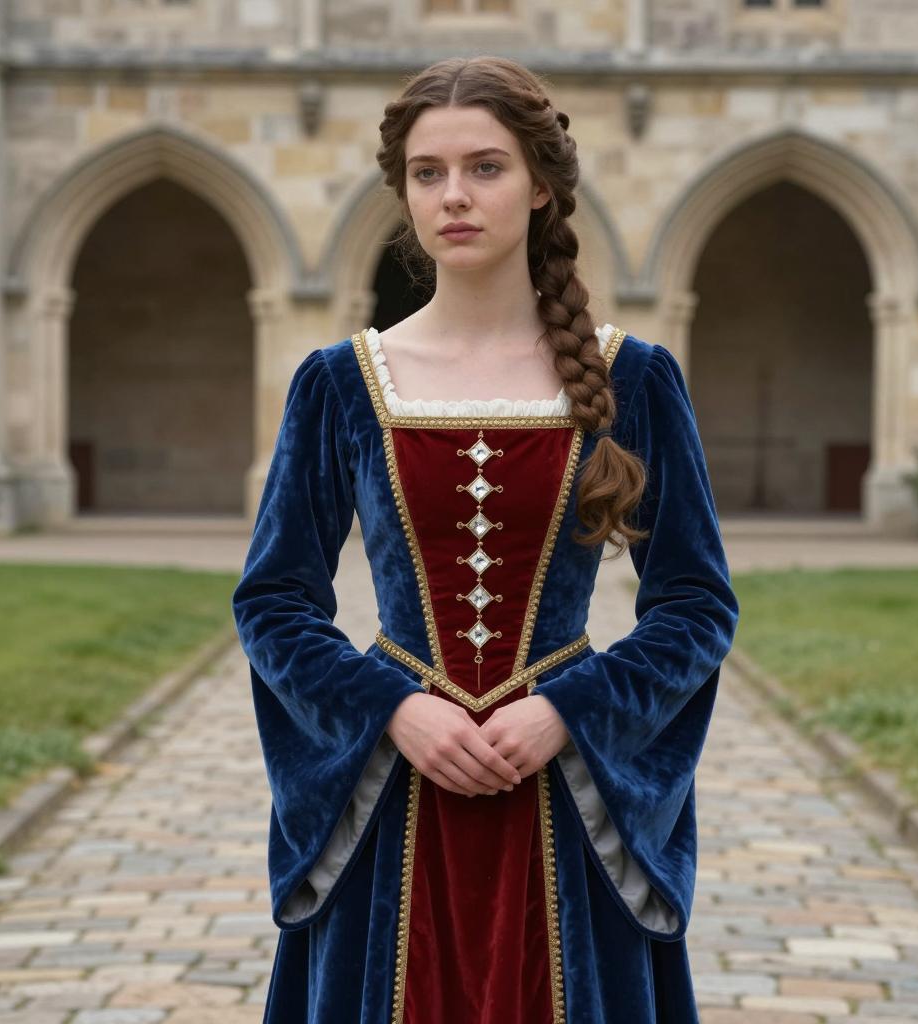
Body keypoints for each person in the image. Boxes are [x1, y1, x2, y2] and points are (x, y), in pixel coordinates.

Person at [231, 55, 739, 1024]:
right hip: (392, 795)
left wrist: (567, 709)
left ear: (541, 184)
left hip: (564, 792)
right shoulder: (342, 382)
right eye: (428, 173)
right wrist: (392, 708)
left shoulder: (632, 378)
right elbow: (274, 601)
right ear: (403, 191)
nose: (453, 196)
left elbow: (695, 604)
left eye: (485, 167)